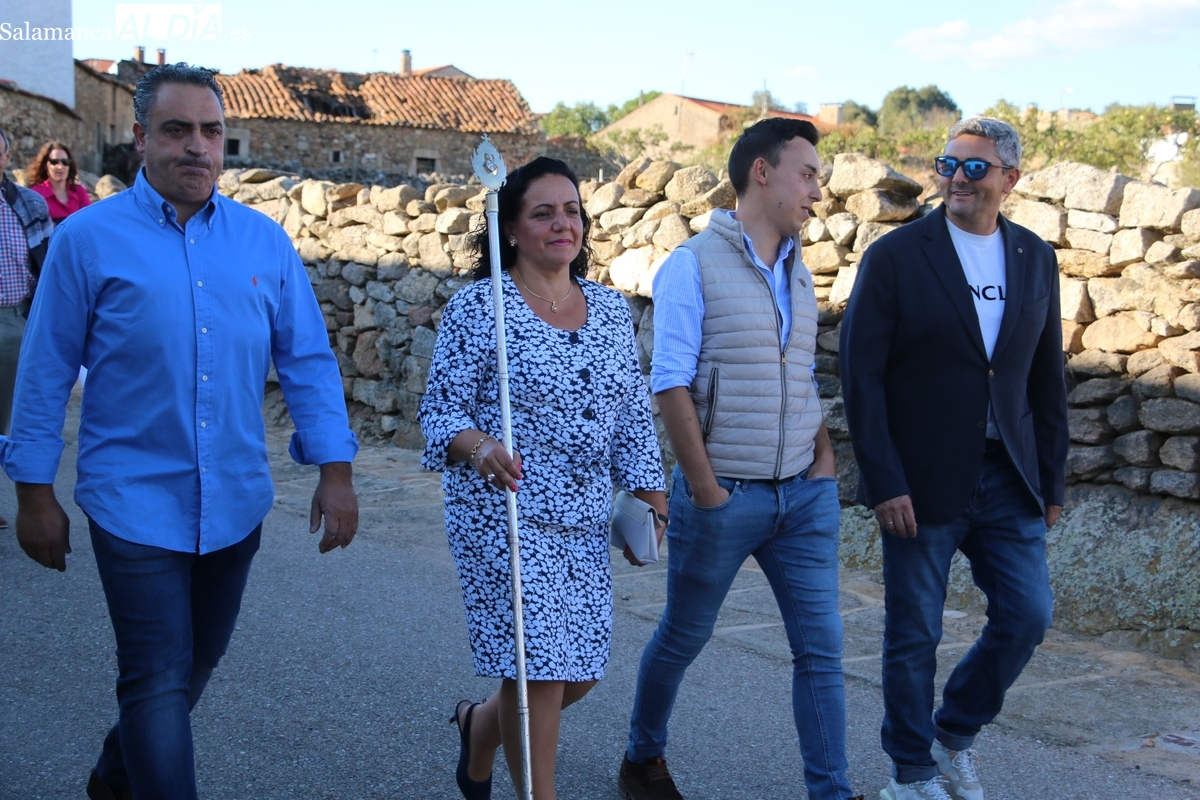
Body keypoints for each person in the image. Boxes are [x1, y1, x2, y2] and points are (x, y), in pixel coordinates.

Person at [0, 63, 360, 800]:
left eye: (211, 131)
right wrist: (34, 491)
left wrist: (336, 469)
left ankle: (113, 777)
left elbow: (308, 361)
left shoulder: (263, 244)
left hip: (234, 501)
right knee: (157, 675)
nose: (197, 146)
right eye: (176, 130)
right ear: (140, 138)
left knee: (192, 665)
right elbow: (44, 371)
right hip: (132, 502)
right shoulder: (86, 241)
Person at [620, 118, 862, 800]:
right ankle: (642, 757)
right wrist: (705, 491)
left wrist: (822, 464)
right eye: (807, 174)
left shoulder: (799, 272)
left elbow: (801, 376)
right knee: (683, 636)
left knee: (822, 651)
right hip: (723, 493)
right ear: (762, 172)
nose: (818, 191)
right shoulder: (692, 264)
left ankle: (832, 792)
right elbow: (670, 381)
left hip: (804, 497)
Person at [419, 156, 667, 800]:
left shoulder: (609, 310)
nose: (563, 224)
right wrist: (478, 445)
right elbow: (440, 411)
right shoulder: (480, 308)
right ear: (509, 228)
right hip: (502, 513)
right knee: (538, 670)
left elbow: (632, 413)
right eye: (543, 213)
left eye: (572, 211)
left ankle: (479, 729)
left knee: (578, 672)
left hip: (584, 517)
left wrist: (651, 495)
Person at [839, 117, 1068, 800]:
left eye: (974, 167)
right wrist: (884, 479)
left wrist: (1051, 480)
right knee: (915, 631)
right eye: (947, 165)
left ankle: (955, 731)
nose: (956, 178)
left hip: (1009, 476)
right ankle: (910, 772)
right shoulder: (898, 255)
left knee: (1028, 615)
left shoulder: (1034, 256)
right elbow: (861, 374)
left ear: (1009, 179)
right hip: (921, 476)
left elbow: (1045, 377)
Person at [0, 127, 52, 531]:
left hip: (14, 318)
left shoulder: (28, 203)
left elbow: (48, 265)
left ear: (7, 158)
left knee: (5, 415)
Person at [27, 141, 92, 224]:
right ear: (45, 166)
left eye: (65, 162)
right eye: (54, 162)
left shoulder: (79, 192)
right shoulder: (35, 195)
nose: (60, 167)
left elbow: (89, 222)